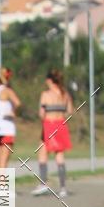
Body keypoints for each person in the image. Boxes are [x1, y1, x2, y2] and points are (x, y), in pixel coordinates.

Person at [32, 69, 73, 197]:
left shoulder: (46, 94)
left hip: (49, 125)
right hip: (61, 124)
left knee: (42, 152)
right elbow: (70, 111)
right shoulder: (65, 94)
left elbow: (41, 114)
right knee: (59, 155)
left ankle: (43, 183)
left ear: (49, 80)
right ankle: (63, 188)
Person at [0, 67, 20, 169]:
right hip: (6, 126)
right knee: (3, 162)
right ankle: (2, 184)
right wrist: (12, 111)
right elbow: (18, 103)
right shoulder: (7, 90)